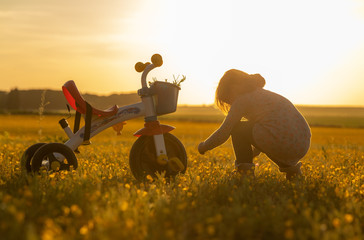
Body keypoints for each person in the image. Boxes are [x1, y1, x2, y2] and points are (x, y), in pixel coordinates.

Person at [198, 69, 311, 180]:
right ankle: (294, 174)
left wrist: (204, 146)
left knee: (237, 129)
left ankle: (244, 174)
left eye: (228, 99)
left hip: (281, 140)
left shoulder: (242, 100)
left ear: (233, 87)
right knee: (267, 133)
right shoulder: (261, 95)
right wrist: (250, 154)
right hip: (302, 143)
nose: (231, 104)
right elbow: (267, 133)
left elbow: (224, 131)